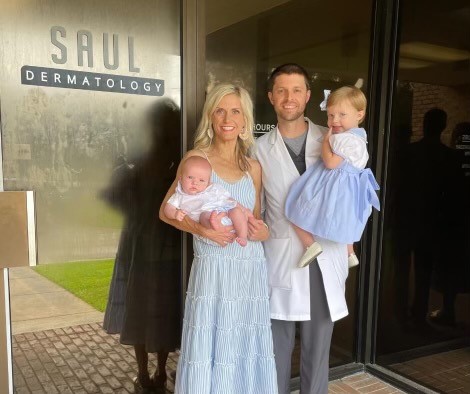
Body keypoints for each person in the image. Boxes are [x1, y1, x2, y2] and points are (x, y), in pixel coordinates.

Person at [159, 83, 278, 394]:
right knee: (209, 343)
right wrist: (205, 231)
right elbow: (165, 212)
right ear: (211, 117)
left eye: (235, 111)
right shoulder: (198, 160)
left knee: (243, 343)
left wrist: (263, 231)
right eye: (221, 110)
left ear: (244, 120)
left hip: (249, 268)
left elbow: (254, 217)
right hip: (213, 269)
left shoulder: (253, 166)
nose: (228, 117)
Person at [255, 63, 349, 394]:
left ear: (308, 96)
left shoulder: (335, 138)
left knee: (317, 352)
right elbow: (258, 210)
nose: (289, 97)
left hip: (324, 257)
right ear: (271, 97)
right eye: (281, 90)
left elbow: (352, 196)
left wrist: (351, 242)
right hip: (280, 261)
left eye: (296, 90)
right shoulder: (258, 150)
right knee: (275, 353)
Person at [102, 98, 182, 392]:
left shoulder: (142, 162)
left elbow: (115, 198)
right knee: (164, 310)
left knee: (139, 310)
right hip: (170, 249)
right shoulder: (179, 162)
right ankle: (160, 370)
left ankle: (143, 373)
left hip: (141, 247)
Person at [285, 86, 380, 269]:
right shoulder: (359, 137)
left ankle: (310, 245)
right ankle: (350, 252)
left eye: (342, 115)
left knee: (296, 209)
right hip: (351, 188)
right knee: (348, 220)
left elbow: (330, 163)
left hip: (334, 185)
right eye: (330, 115)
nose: (334, 121)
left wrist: (326, 143)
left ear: (359, 115)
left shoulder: (345, 139)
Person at [163, 155, 253, 246]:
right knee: (204, 215)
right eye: (190, 177)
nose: (195, 182)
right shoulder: (179, 196)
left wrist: (244, 210)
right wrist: (175, 214)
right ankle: (214, 225)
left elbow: (229, 200)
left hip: (228, 219)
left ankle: (242, 237)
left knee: (236, 211)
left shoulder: (213, 189)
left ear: (208, 182)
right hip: (209, 230)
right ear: (181, 179)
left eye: (201, 180)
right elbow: (167, 209)